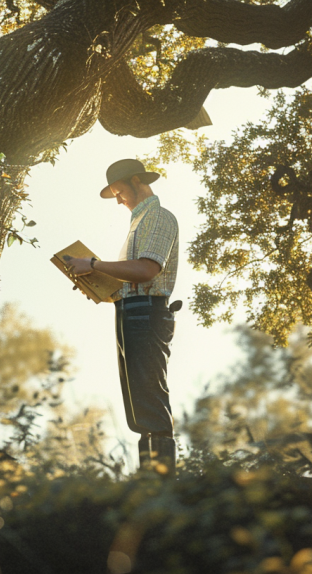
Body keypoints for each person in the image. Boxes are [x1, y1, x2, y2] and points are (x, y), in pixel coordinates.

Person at [67, 158, 179, 475]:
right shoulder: (138, 223)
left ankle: (163, 486)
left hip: (147, 313)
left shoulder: (158, 217)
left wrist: (94, 264)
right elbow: (131, 280)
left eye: (119, 191)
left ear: (136, 181)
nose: (118, 199)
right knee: (138, 405)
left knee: (150, 399)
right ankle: (150, 481)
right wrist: (97, 285)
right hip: (130, 311)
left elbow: (146, 270)